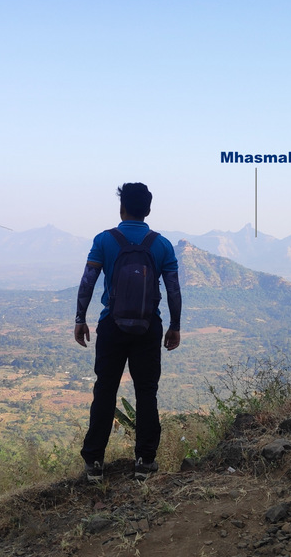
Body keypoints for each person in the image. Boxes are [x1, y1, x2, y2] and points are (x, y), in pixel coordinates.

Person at [74, 182, 182, 482]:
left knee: (105, 391)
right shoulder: (162, 245)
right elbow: (173, 290)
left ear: (121, 208)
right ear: (148, 210)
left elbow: (88, 282)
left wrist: (80, 318)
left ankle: (94, 462)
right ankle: (145, 462)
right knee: (146, 393)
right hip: (149, 328)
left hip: (112, 326)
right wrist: (174, 325)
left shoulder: (105, 240)